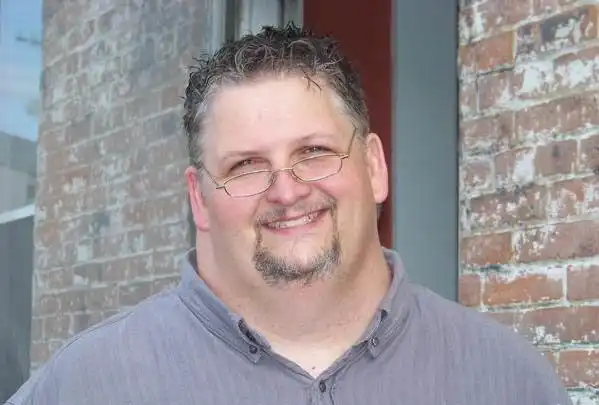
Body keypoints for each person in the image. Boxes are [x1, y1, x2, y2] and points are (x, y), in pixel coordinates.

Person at [6, 24, 572, 405]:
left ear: (374, 166)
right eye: (246, 165)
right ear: (199, 198)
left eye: (315, 152)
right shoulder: (88, 386)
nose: (286, 190)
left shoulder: (507, 380)